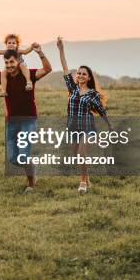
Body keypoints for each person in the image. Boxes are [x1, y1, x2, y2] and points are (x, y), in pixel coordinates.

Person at [0, 42, 52, 194]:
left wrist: (40, 53)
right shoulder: (3, 78)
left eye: (12, 62)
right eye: (7, 62)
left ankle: (31, 184)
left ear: (18, 61)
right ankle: (33, 166)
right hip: (12, 123)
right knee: (13, 159)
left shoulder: (29, 75)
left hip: (28, 121)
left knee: (23, 155)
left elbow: (47, 69)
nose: (9, 65)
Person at [57, 36, 112, 194]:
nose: (80, 75)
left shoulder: (93, 94)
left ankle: (82, 183)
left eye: (84, 74)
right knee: (76, 157)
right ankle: (87, 179)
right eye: (79, 73)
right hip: (72, 127)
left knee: (82, 153)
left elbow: (101, 111)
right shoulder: (72, 89)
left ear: (88, 77)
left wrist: (109, 124)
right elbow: (65, 68)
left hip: (87, 127)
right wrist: (61, 50)